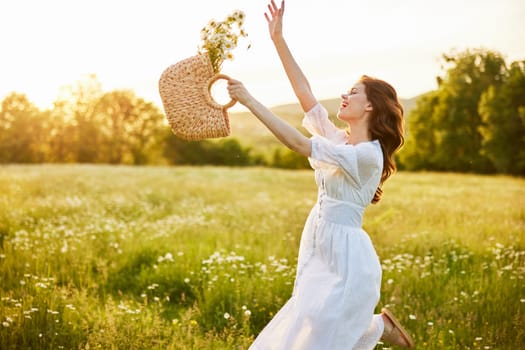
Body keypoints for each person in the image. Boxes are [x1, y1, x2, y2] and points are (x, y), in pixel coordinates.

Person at [226, 1, 415, 349]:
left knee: (322, 333)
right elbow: (305, 95)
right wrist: (278, 40)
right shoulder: (340, 139)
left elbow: (298, 143)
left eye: (352, 93)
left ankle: (375, 328)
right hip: (318, 238)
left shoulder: (366, 156)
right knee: (310, 321)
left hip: (345, 252)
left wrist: (250, 101)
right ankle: (376, 328)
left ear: (370, 106)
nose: (343, 96)